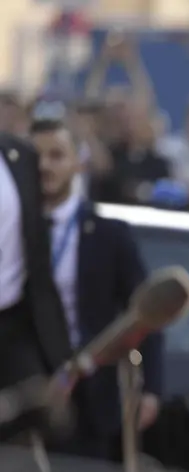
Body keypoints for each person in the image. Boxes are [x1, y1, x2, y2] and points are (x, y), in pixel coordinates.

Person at [31, 119, 163, 460]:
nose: (44, 165)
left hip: (89, 397)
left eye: (56, 155)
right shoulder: (11, 232)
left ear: (79, 162)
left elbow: (145, 311)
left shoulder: (109, 235)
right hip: (25, 393)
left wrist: (151, 388)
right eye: (36, 157)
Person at [0, 129, 71, 393]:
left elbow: (39, 262)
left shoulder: (21, 157)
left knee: (39, 424)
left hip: (14, 323)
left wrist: (58, 354)